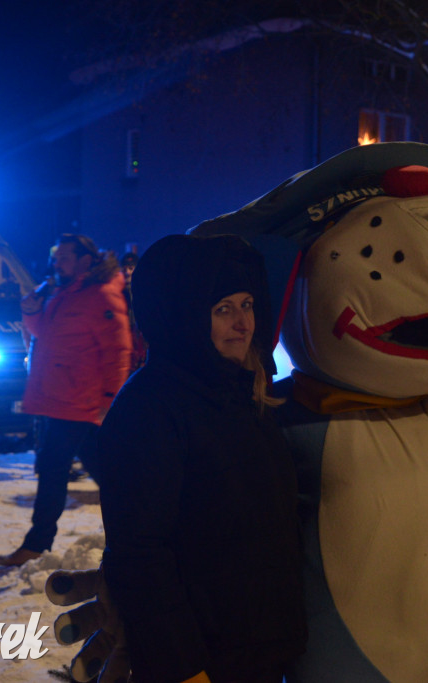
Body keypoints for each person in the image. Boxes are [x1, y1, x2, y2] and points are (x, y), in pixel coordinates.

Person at [98, 233, 306, 682]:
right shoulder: (150, 408)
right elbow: (139, 552)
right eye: (222, 309)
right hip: (201, 660)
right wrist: (183, 667)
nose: (242, 322)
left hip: (261, 651)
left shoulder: (245, 394)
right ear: (184, 316)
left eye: (247, 304)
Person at [0, 234, 132, 567]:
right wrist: (30, 311)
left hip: (80, 402)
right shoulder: (65, 293)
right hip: (64, 399)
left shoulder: (101, 295)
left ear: (86, 259)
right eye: (56, 256)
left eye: (65, 257)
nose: (57, 263)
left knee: (54, 469)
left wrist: (110, 398)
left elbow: (119, 350)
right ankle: (152, 529)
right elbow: (43, 333)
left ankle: (37, 544)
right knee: (112, 476)